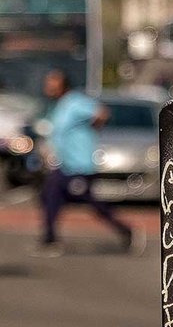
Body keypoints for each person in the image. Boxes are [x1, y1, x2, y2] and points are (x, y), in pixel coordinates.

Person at [37, 68, 134, 254]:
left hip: (80, 165)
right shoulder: (57, 106)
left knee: (91, 202)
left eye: (52, 83)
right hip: (64, 165)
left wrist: (92, 127)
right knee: (50, 196)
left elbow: (102, 112)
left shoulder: (75, 102)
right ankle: (49, 239)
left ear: (62, 85)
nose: (48, 87)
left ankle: (126, 230)